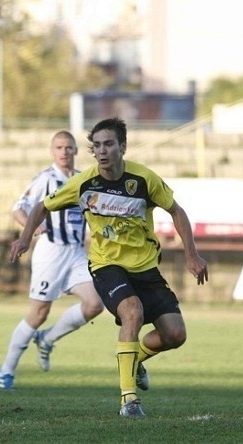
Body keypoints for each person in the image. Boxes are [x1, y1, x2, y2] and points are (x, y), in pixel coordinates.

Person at [10, 118, 208, 419]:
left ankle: (135, 358)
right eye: (97, 146)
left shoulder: (143, 179)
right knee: (132, 311)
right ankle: (129, 400)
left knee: (175, 335)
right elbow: (40, 207)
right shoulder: (84, 183)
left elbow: (176, 211)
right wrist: (24, 239)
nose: (102, 151)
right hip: (106, 265)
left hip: (145, 267)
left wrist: (192, 255)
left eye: (108, 144)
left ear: (122, 147)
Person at [0, 131, 104, 390]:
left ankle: (47, 341)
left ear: (76, 151)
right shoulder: (45, 179)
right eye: (59, 147)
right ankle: (6, 370)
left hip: (76, 252)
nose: (64, 151)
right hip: (51, 251)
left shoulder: (82, 180)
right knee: (39, 313)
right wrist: (31, 228)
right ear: (52, 151)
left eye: (69, 147)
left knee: (95, 303)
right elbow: (17, 208)